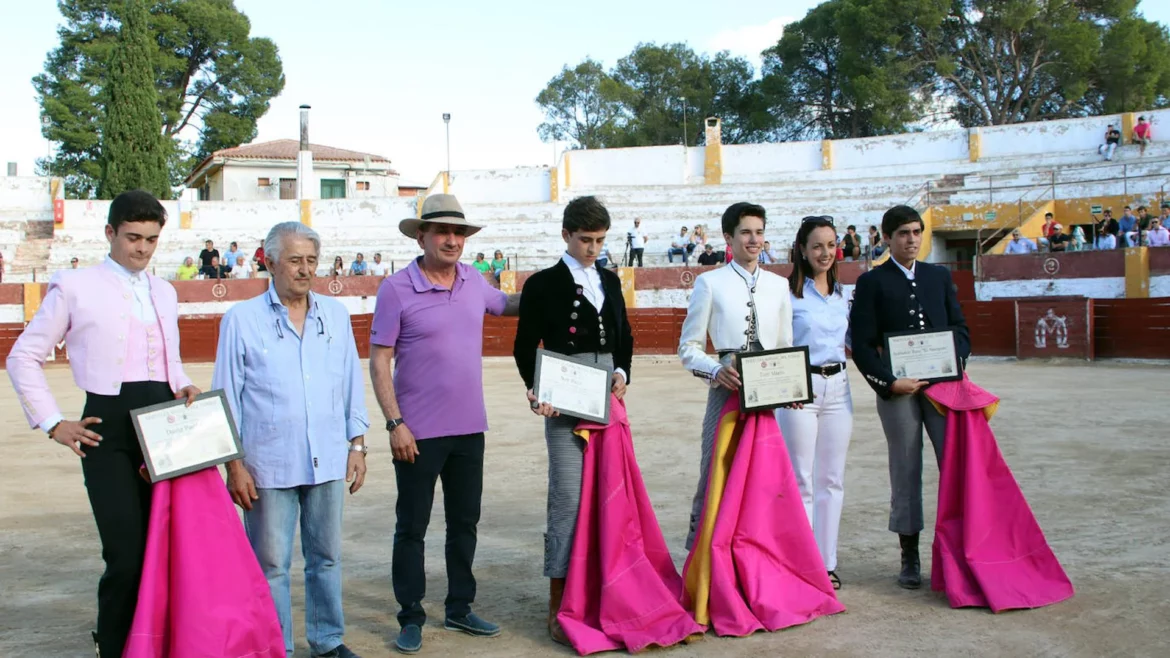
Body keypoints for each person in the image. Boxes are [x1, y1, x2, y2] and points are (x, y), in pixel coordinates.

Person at [6, 189, 201, 657]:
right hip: (108, 428)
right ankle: (113, 646)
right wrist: (54, 423)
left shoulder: (165, 290)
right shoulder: (74, 286)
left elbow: (169, 361)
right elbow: (22, 356)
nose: (142, 249)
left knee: (170, 550)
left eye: (152, 240)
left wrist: (186, 384)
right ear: (110, 232)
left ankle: (161, 644)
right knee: (126, 554)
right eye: (133, 237)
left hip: (165, 423)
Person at [369, 194, 519, 654]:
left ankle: (459, 608)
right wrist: (395, 422)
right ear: (422, 236)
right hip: (415, 431)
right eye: (442, 232)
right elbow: (379, 360)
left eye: (459, 233)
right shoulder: (395, 288)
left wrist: (557, 282)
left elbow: (508, 305)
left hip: (469, 427)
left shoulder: (473, 279)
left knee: (464, 522)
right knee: (412, 526)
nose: (452, 240)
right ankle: (410, 615)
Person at [212, 222, 369, 658]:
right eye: (295, 260)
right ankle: (274, 646)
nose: (305, 270)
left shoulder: (335, 316)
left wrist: (356, 446)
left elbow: (351, 384)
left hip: (328, 456)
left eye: (311, 261)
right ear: (270, 262)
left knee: (326, 558)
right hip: (267, 465)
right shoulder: (241, 320)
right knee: (271, 565)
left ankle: (327, 640)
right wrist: (234, 465)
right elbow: (226, 395)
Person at [512, 196, 634, 646]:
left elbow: (625, 338)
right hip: (564, 402)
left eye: (600, 240)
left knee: (610, 497)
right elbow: (526, 346)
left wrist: (622, 373)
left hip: (608, 400)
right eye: (586, 240)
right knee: (566, 498)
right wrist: (537, 390)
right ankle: (559, 605)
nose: (593, 249)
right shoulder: (542, 283)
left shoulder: (610, 279)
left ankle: (608, 597)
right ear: (566, 235)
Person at [848, 204, 970, 590]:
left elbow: (960, 329)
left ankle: (959, 548)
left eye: (917, 232)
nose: (912, 239)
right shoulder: (873, 282)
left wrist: (954, 359)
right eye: (903, 233)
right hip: (897, 390)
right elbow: (863, 346)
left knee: (954, 465)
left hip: (941, 387)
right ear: (887, 238)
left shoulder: (937, 276)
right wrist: (887, 383)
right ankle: (910, 554)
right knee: (905, 468)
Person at [678, 202, 793, 550]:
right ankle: (703, 561)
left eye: (759, 232)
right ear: (729, 237)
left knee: (765, 480)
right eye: (745, 232)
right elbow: (689, 347)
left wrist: (792, 388)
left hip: (768, 397)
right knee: (715, 473)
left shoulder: (778, 285)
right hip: (726, 391)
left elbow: (785, 346)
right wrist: (715, 369)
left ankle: (758, 556)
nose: (754, 239)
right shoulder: (709, 283)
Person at [777, 216, 852, 591]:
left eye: (831, 245)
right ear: (802, 250)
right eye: (817, 246)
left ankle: (826, 562)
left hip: (839, 386)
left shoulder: (844, 293)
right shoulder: (786, 294)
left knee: (832, 479)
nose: (825, 252)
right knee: (801, 478)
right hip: (798, 389)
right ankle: (802, 562)